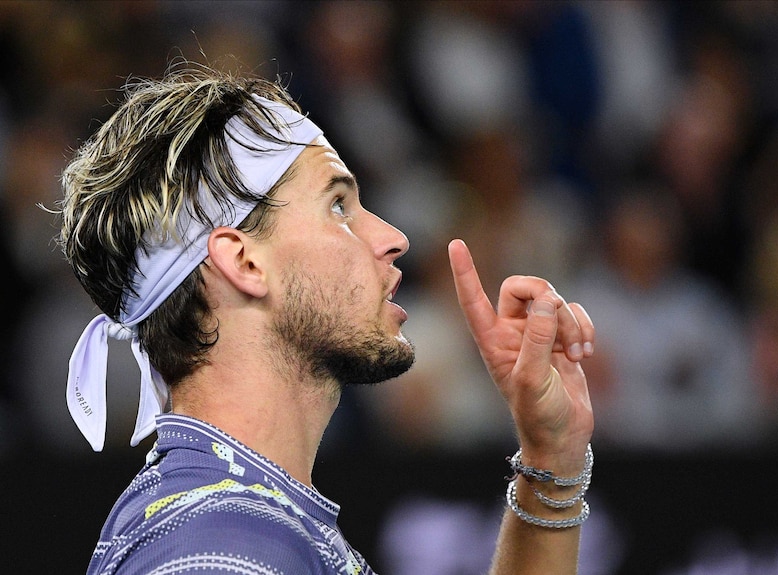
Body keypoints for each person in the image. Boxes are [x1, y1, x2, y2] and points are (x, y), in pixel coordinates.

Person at [58, 67, 596, 575]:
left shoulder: (237, 520)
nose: (393, 237)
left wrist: (552, 457)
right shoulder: (222, 547)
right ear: (244, 262)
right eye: (338, 206)